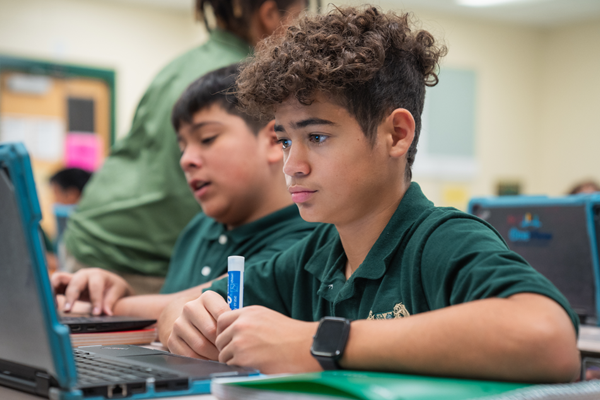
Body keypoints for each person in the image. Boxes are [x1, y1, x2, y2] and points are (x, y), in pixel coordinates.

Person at [165, 6, 581, 382]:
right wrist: (193, 321)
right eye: (286, 141)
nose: (293, 165)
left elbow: (550, 337)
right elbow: (184, 311)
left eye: (317, 136)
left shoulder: (441, 242)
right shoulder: (315, 257)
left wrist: (322, 342)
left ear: (396, 134)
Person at [52, 64, 317, 344]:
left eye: (207, 139)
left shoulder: (305, 236)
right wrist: (116, 292)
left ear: (273, 141)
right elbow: (171, 307)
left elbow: (196, 306)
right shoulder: (199, 228)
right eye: (182, 148)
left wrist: (102, 308)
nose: (186, 160)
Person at [61, 0, 306, 295]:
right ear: (269, 15)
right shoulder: (245, 79)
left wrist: (119, 304)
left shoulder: (181, 65)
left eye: (207, 139)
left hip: (96, 238)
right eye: (298, 18)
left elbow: (216, 299)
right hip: (128, 257)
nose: (186, 160)